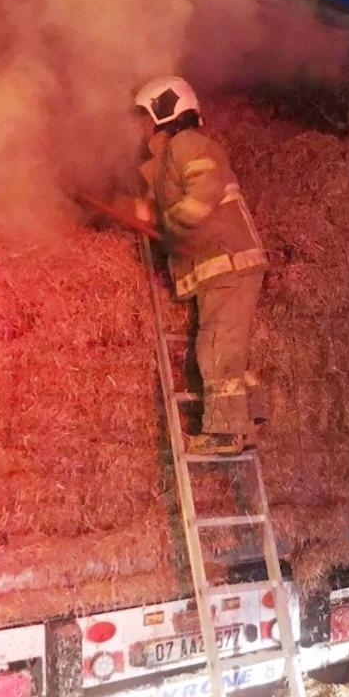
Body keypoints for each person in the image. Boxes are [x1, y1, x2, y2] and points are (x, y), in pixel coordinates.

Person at [132, 76, 268, 455]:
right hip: (221, 267)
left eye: (145, 116)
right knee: (228, 348)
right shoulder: (165, 160)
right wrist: (146, 213)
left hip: (226, 263)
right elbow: (165, 200)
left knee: (215, 349)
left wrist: (170, 224)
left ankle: (225, 432)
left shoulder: (187, 144)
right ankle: (248, 424)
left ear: (164, 112)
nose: (142, 125)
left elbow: (203, 189)